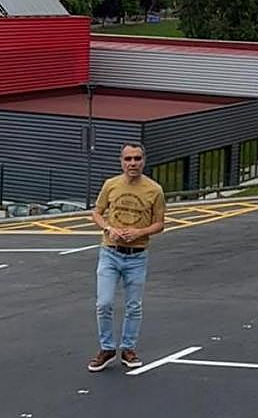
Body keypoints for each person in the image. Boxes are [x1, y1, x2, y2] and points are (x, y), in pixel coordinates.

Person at [87, 142, 165, 372]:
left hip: (137, 255)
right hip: (110, 252)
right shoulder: (111, 185)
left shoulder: (154, 190)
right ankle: (107, 347)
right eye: (128, 159)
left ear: (144, 161)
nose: (133, 163)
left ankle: (128, 348)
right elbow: (97, 213)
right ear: (121, 161)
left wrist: (140, 232)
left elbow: (160, 223)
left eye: (137, 159)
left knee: (133, 305)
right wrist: (108, 228)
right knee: (104, 303)